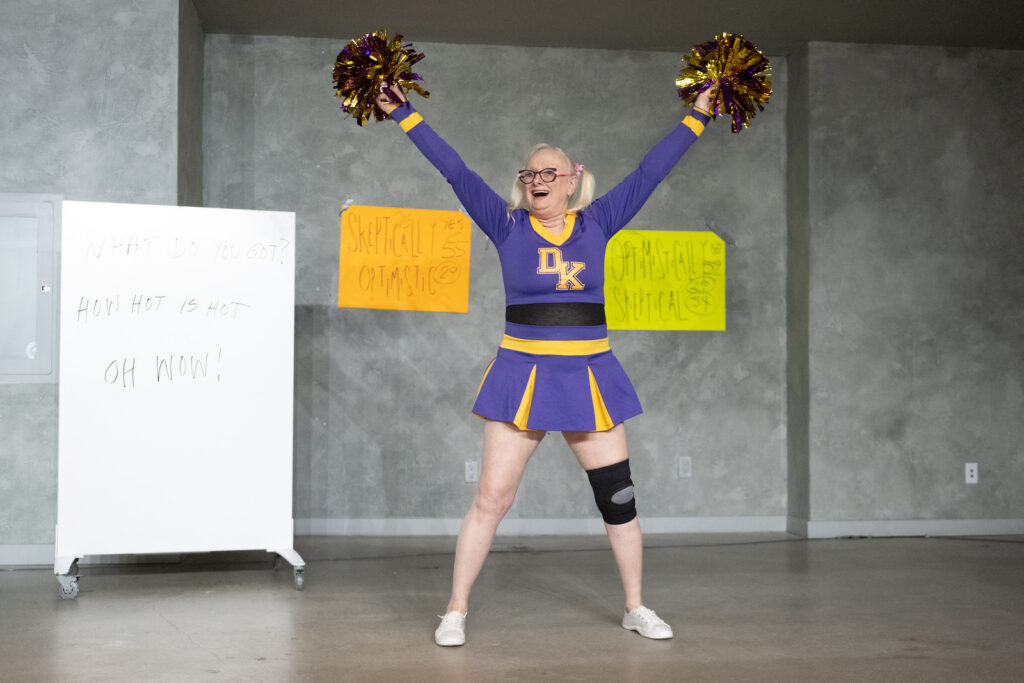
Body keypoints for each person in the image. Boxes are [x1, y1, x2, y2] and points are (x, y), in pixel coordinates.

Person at [375, 82, 714, 647]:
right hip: (522, 378)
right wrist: (403, 113)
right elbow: (455, 171)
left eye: (549, 174)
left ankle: (635, 605)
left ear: (572, 179)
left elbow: (651, 173)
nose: (537, 182)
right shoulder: (505, 224)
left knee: (619, 498)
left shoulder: (600, 221)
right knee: (491, 499)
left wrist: (697, 115)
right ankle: (455, 609)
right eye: (529, 174)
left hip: (590, 377)